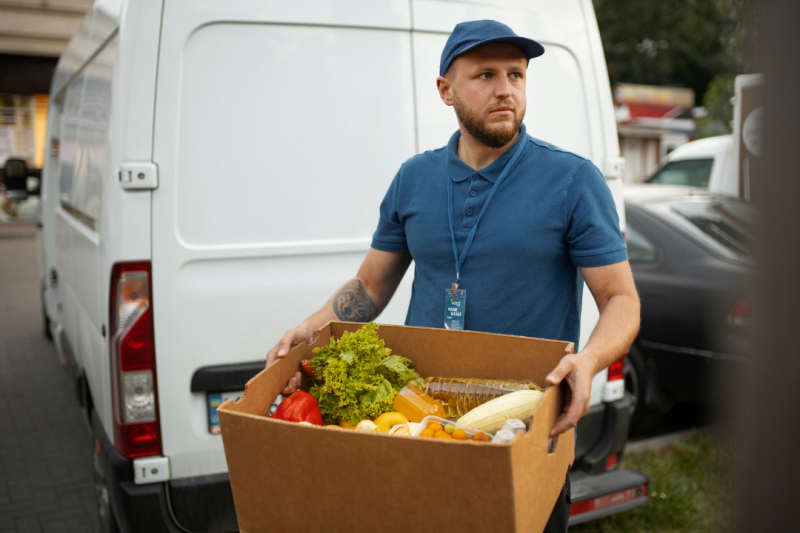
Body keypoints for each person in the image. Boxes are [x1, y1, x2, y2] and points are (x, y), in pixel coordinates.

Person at [266, 20, 640, 532]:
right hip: (420, 423)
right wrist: (311, 329)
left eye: (516, 74)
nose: (505, 89)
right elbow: (372, 285)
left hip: (523, 427)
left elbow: (621, 298)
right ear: (445, 91)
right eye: (484, 75)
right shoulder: (413, 179)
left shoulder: (572, 181)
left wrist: (589, 361)